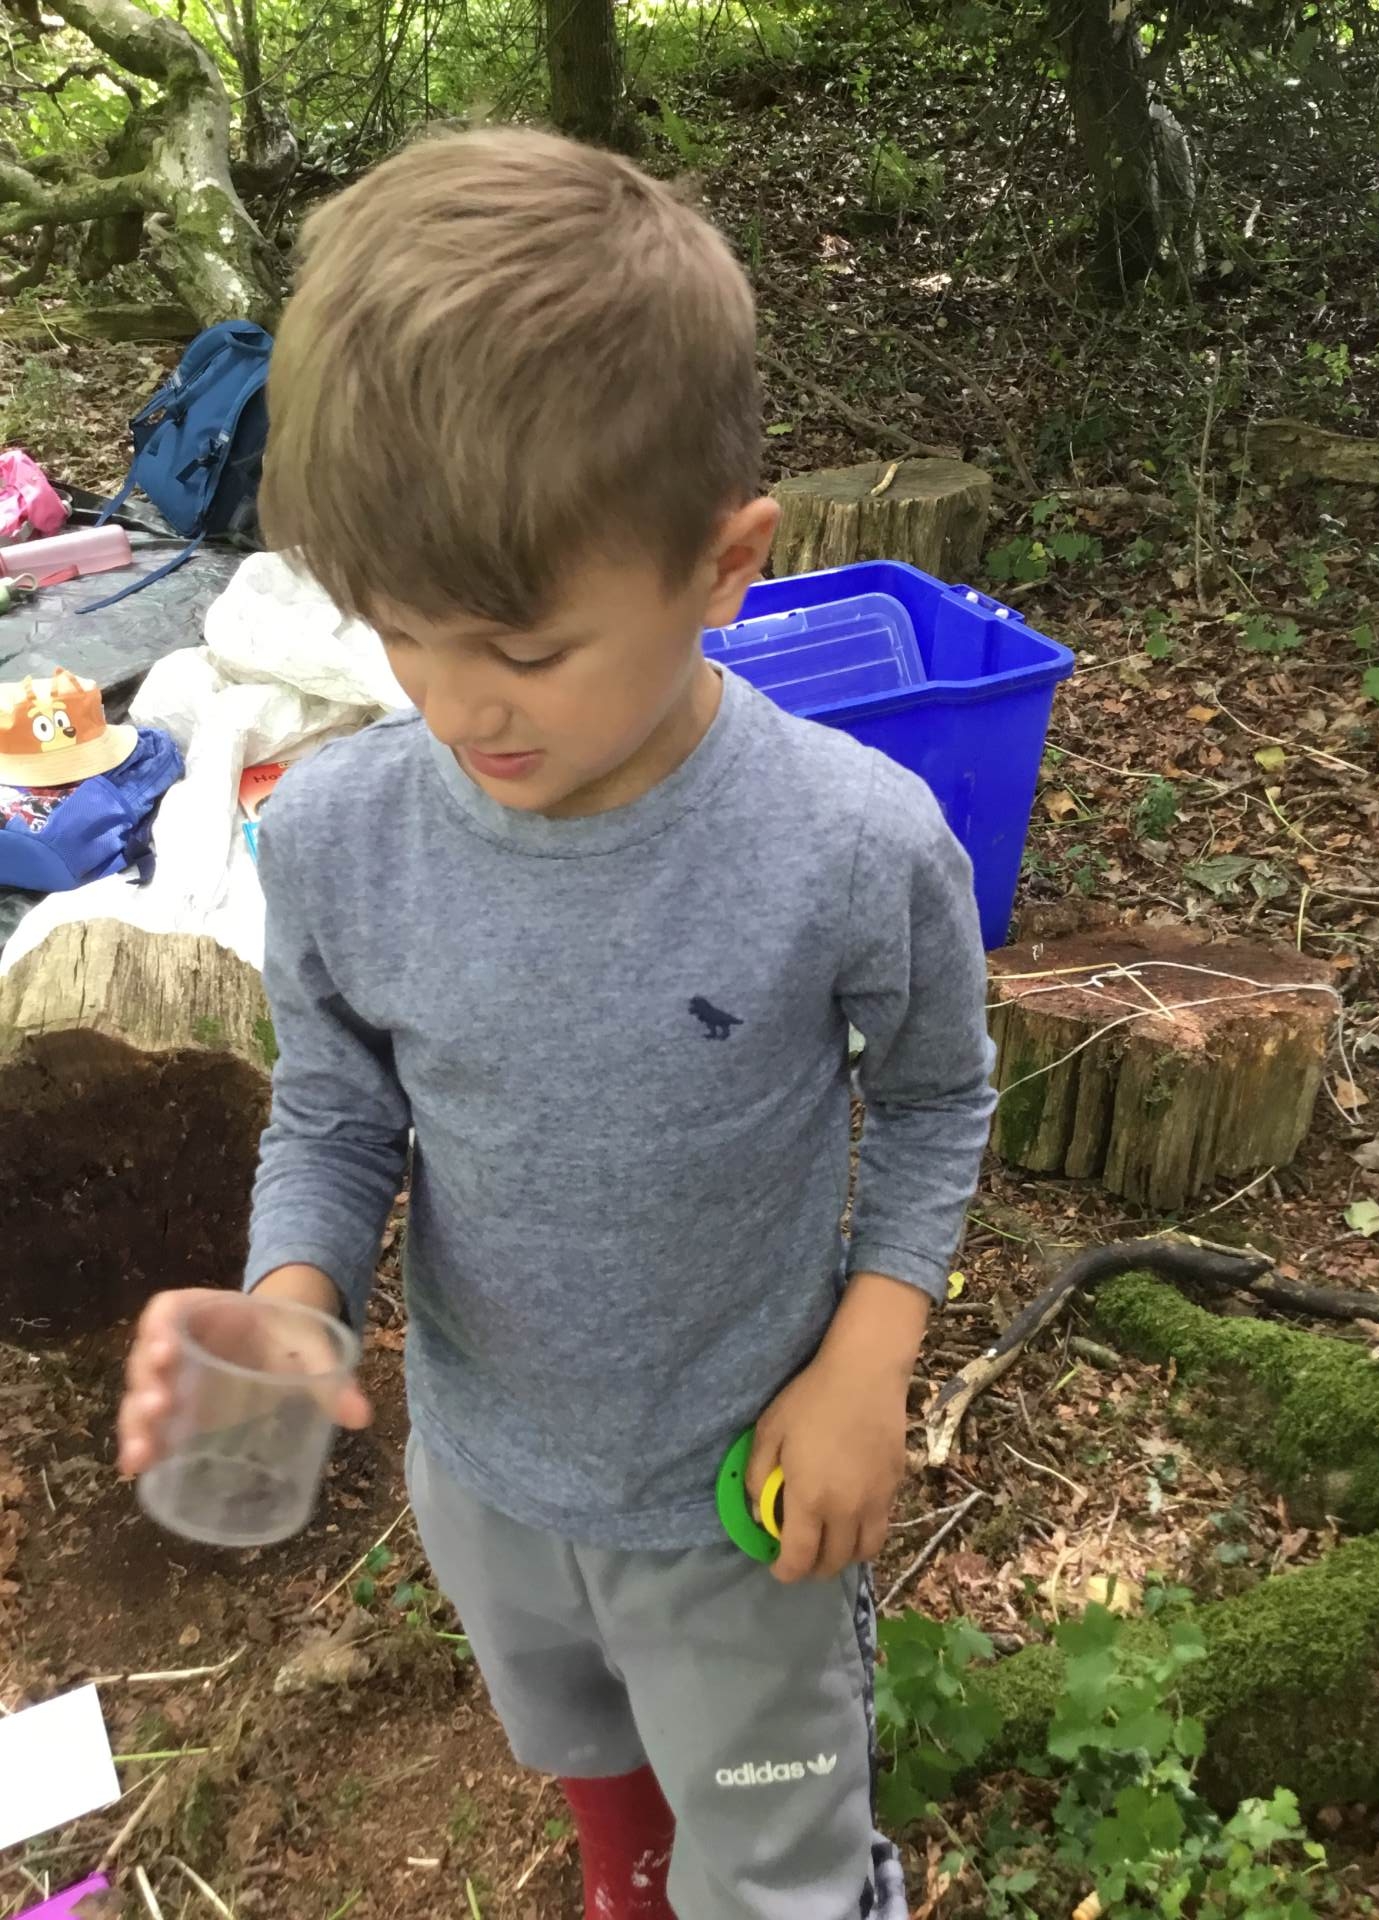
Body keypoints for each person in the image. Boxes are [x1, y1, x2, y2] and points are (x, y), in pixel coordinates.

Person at [117, 127, 996, 1920]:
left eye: (523, 651)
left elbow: (933, 1100)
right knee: (578, 1738)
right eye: (401, 634)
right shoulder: (341, 833)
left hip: (738, 1505)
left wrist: (868, 1360)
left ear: (726, 565)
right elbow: (337, 1110)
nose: (460, 707)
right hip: (486, 1478)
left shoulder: (847, 845)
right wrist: (290, 1298)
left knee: (778, 1854)